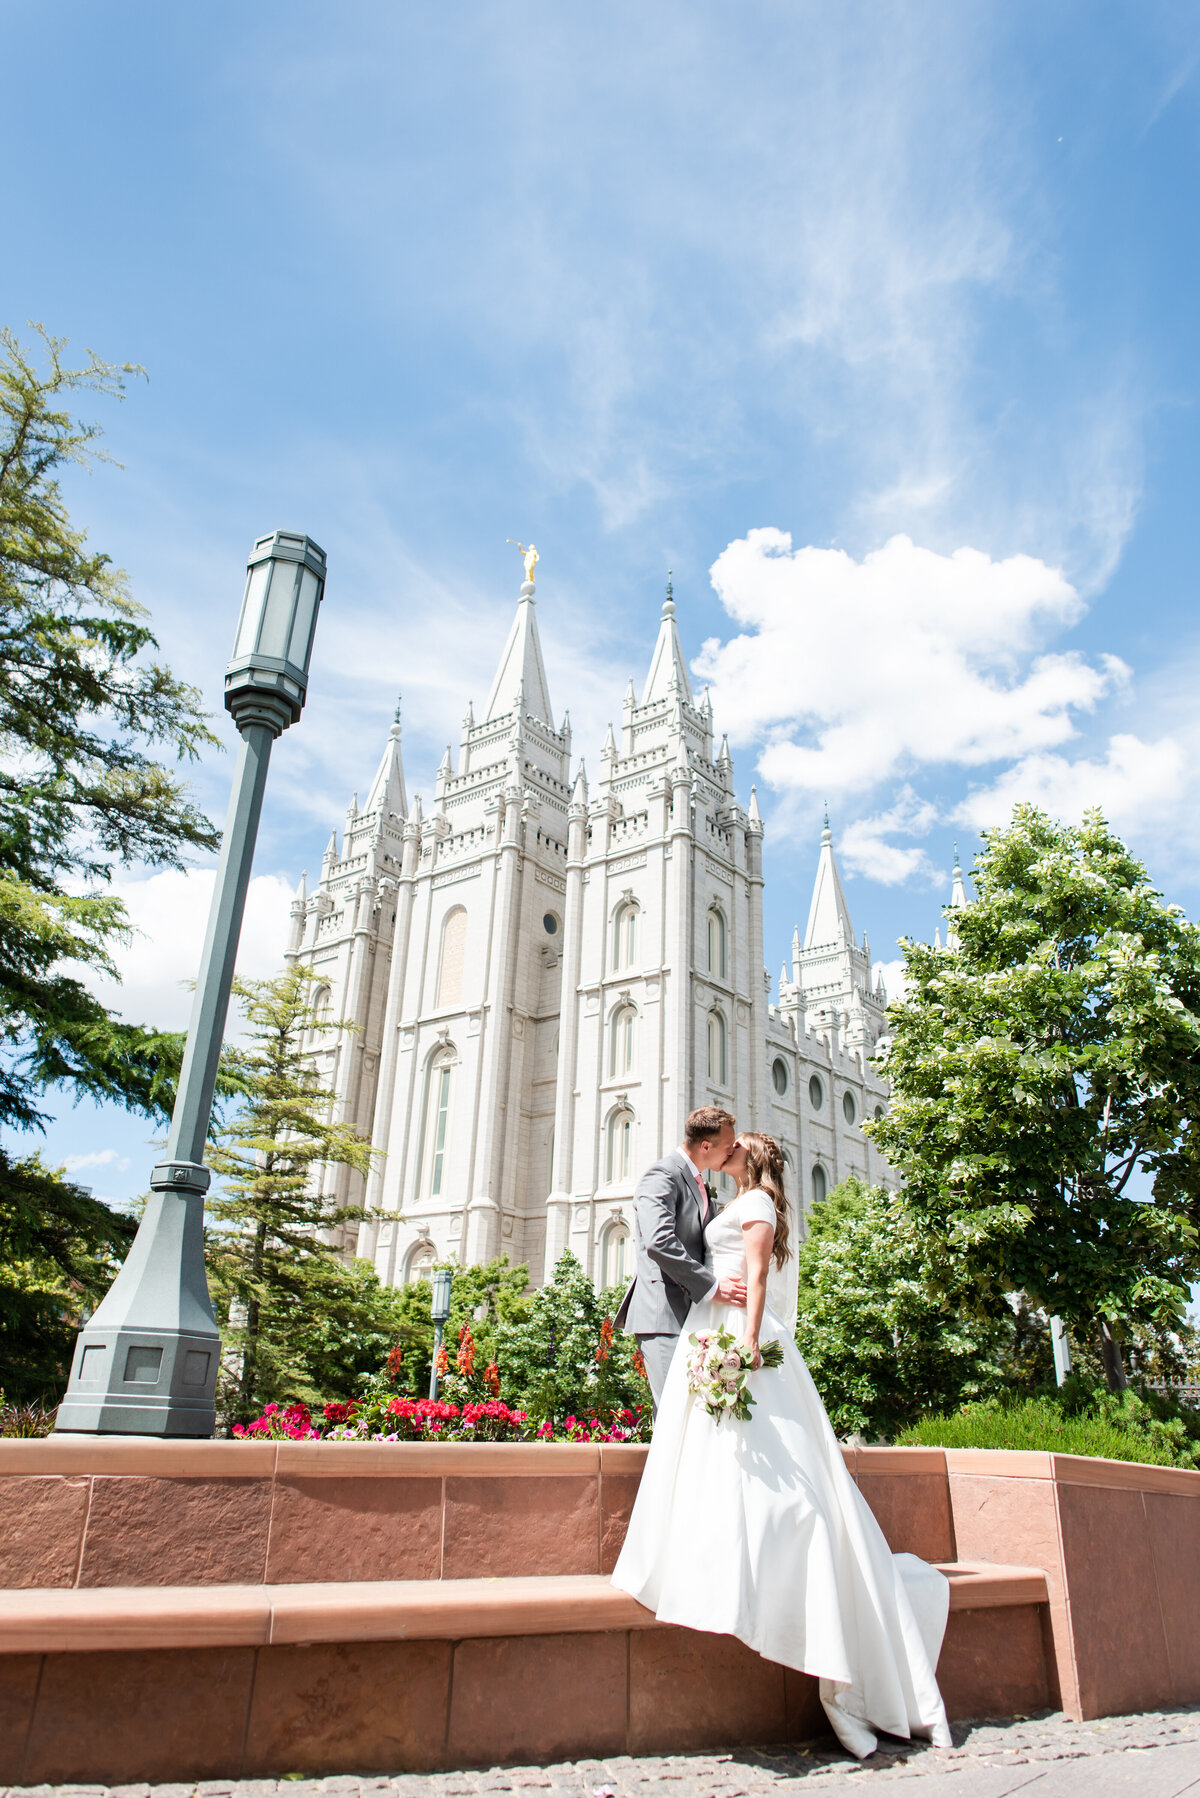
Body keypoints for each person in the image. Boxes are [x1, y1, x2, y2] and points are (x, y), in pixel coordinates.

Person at [612, 1131, 952, 1761]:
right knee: (711, 1450)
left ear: (752, 1157)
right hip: (707, 1327)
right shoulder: (728, 1199)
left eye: (735, 1147)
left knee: (769, 1465)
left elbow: (759, 1275)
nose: (726, 1153)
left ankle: (784, 1594)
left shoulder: (760, 1204)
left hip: (737, 1334)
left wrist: (747, 1343)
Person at [613, 1106, 747, 1410]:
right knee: (674, 1411)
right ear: (705, 1146)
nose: (730, 1152)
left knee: (692, 1414)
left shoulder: (698, 1183)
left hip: (691, 1316)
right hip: (662, 1315)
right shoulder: (662, 1176)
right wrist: (712, 1287)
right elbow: (659, 1242)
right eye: (728, 1147)